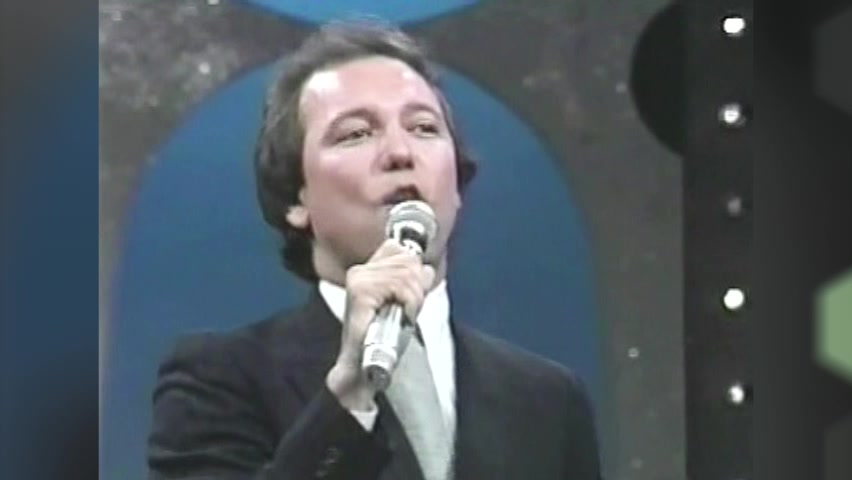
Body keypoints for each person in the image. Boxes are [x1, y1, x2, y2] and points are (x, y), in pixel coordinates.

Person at [147, 19, 602, 480]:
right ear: (295, 199)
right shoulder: (217, 378)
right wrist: (348, 396)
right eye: (356, 133)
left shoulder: (549, 399)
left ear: (457, 184)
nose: (400, 152)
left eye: (424, 127)